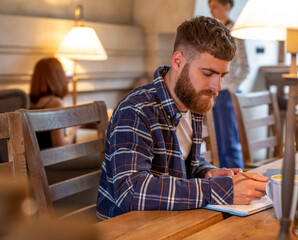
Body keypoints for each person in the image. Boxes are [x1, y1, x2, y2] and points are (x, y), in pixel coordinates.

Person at [96, 16, 267, 220]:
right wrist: (219, 190)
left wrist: (207, 173)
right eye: (208, 73)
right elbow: (132, 192)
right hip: (127, 228)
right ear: (178, 61)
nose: (217, 87)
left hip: (171, 219)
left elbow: (184, 164)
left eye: (222, 76)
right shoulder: (135, 110)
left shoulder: (192, 102)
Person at [208, 0, 249, 168]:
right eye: (210, 8)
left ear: (227, 6)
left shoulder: (236, 32)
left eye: (215, 7)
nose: (212, 11)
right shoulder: (212, 32)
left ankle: (236, 177)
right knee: (216, 142)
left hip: (227, 94)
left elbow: (245, 67)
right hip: (211, 93)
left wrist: (231, 89)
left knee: (229, 142)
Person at [29, 57, 76, 149]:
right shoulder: (56, 103)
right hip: (52, 160)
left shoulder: (29, 102)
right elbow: (60, 144)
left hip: (34, 160)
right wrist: (75, 128)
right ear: (59, 77)